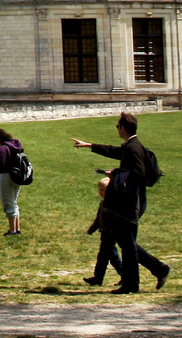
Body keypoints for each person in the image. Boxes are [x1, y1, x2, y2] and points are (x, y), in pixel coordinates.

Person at [71, 112, 170, 293]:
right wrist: (90, 145)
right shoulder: (132, 145)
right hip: (129, 202)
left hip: (131, 202)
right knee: (126, 242)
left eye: (117, 126)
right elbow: (115, 151)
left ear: (123, 128)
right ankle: (157, 270)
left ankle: (133, 283)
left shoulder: (133, 148)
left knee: (128, 244)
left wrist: (116, 174)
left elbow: (138, 174)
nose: (117, 129)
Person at [83, 174, 125, 287]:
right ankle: (98, 278)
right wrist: (92, 228)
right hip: (104, 233)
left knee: (112, 257)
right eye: (99, 190)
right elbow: (98, 219)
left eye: (104, 190)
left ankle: (123, 276)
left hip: (111, 233)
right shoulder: (102, 203)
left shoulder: (113, 204)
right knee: (104, 257)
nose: (101, 192)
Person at [0, 127, 24, 235]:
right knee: (14, 202)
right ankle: (17, 228)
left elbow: (0, 163)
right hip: (17, 176)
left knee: (8, 203)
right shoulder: (15, 145)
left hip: (6, 176)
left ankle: (12, 230)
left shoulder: (3, 148)